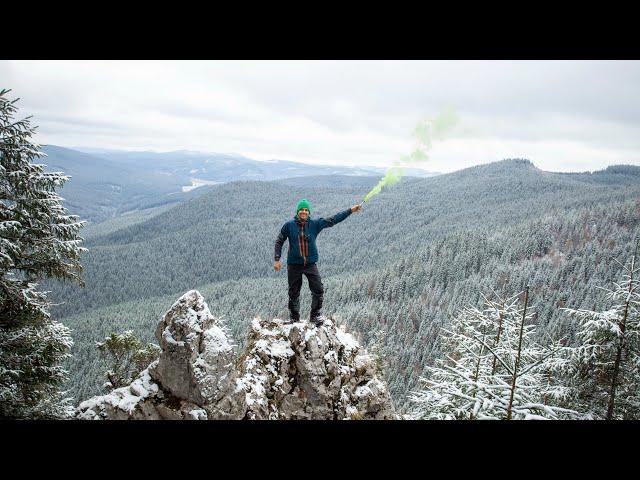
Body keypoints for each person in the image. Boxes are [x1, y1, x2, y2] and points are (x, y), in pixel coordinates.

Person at [274, 199, 361, 326]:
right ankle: (294, 318)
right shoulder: (289, 225)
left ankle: (315, 316)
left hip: (310, 264)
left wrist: (350, 211)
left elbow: (333, 220)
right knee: (293, 292)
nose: (304, 212)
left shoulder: (315, 224)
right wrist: (277, 259)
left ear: (309, 212)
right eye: (301, 210)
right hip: (294, 265)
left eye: (306, 210)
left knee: (318, 289)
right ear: (298, 212)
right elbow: (279, 241)